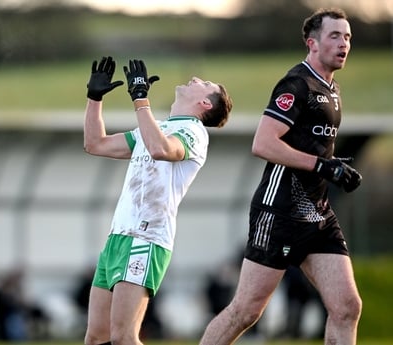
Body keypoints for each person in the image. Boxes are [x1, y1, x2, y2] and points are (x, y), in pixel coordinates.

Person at [198, 8, 362, 345]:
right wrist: (321, 165)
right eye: (335, 36)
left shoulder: (332, 89)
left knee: (346, 307)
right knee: (246, 311)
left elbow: (310, 147)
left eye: (347, 37)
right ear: (311, 43)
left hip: (318, 214)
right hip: (280, 211)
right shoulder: (297, 84)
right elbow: (263, 144)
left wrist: (337, 167)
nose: (343, 43)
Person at [82, 56, 232, 345]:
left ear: (206, 105)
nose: (197, 79)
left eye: (206, 84)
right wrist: (94, 98)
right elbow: (94, 143)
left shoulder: (194, 132)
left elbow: (161, 149)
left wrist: (141, 99)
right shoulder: (155, 126)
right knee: (96, 338)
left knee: (123, 337)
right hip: (118, 237)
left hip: (146, 238)